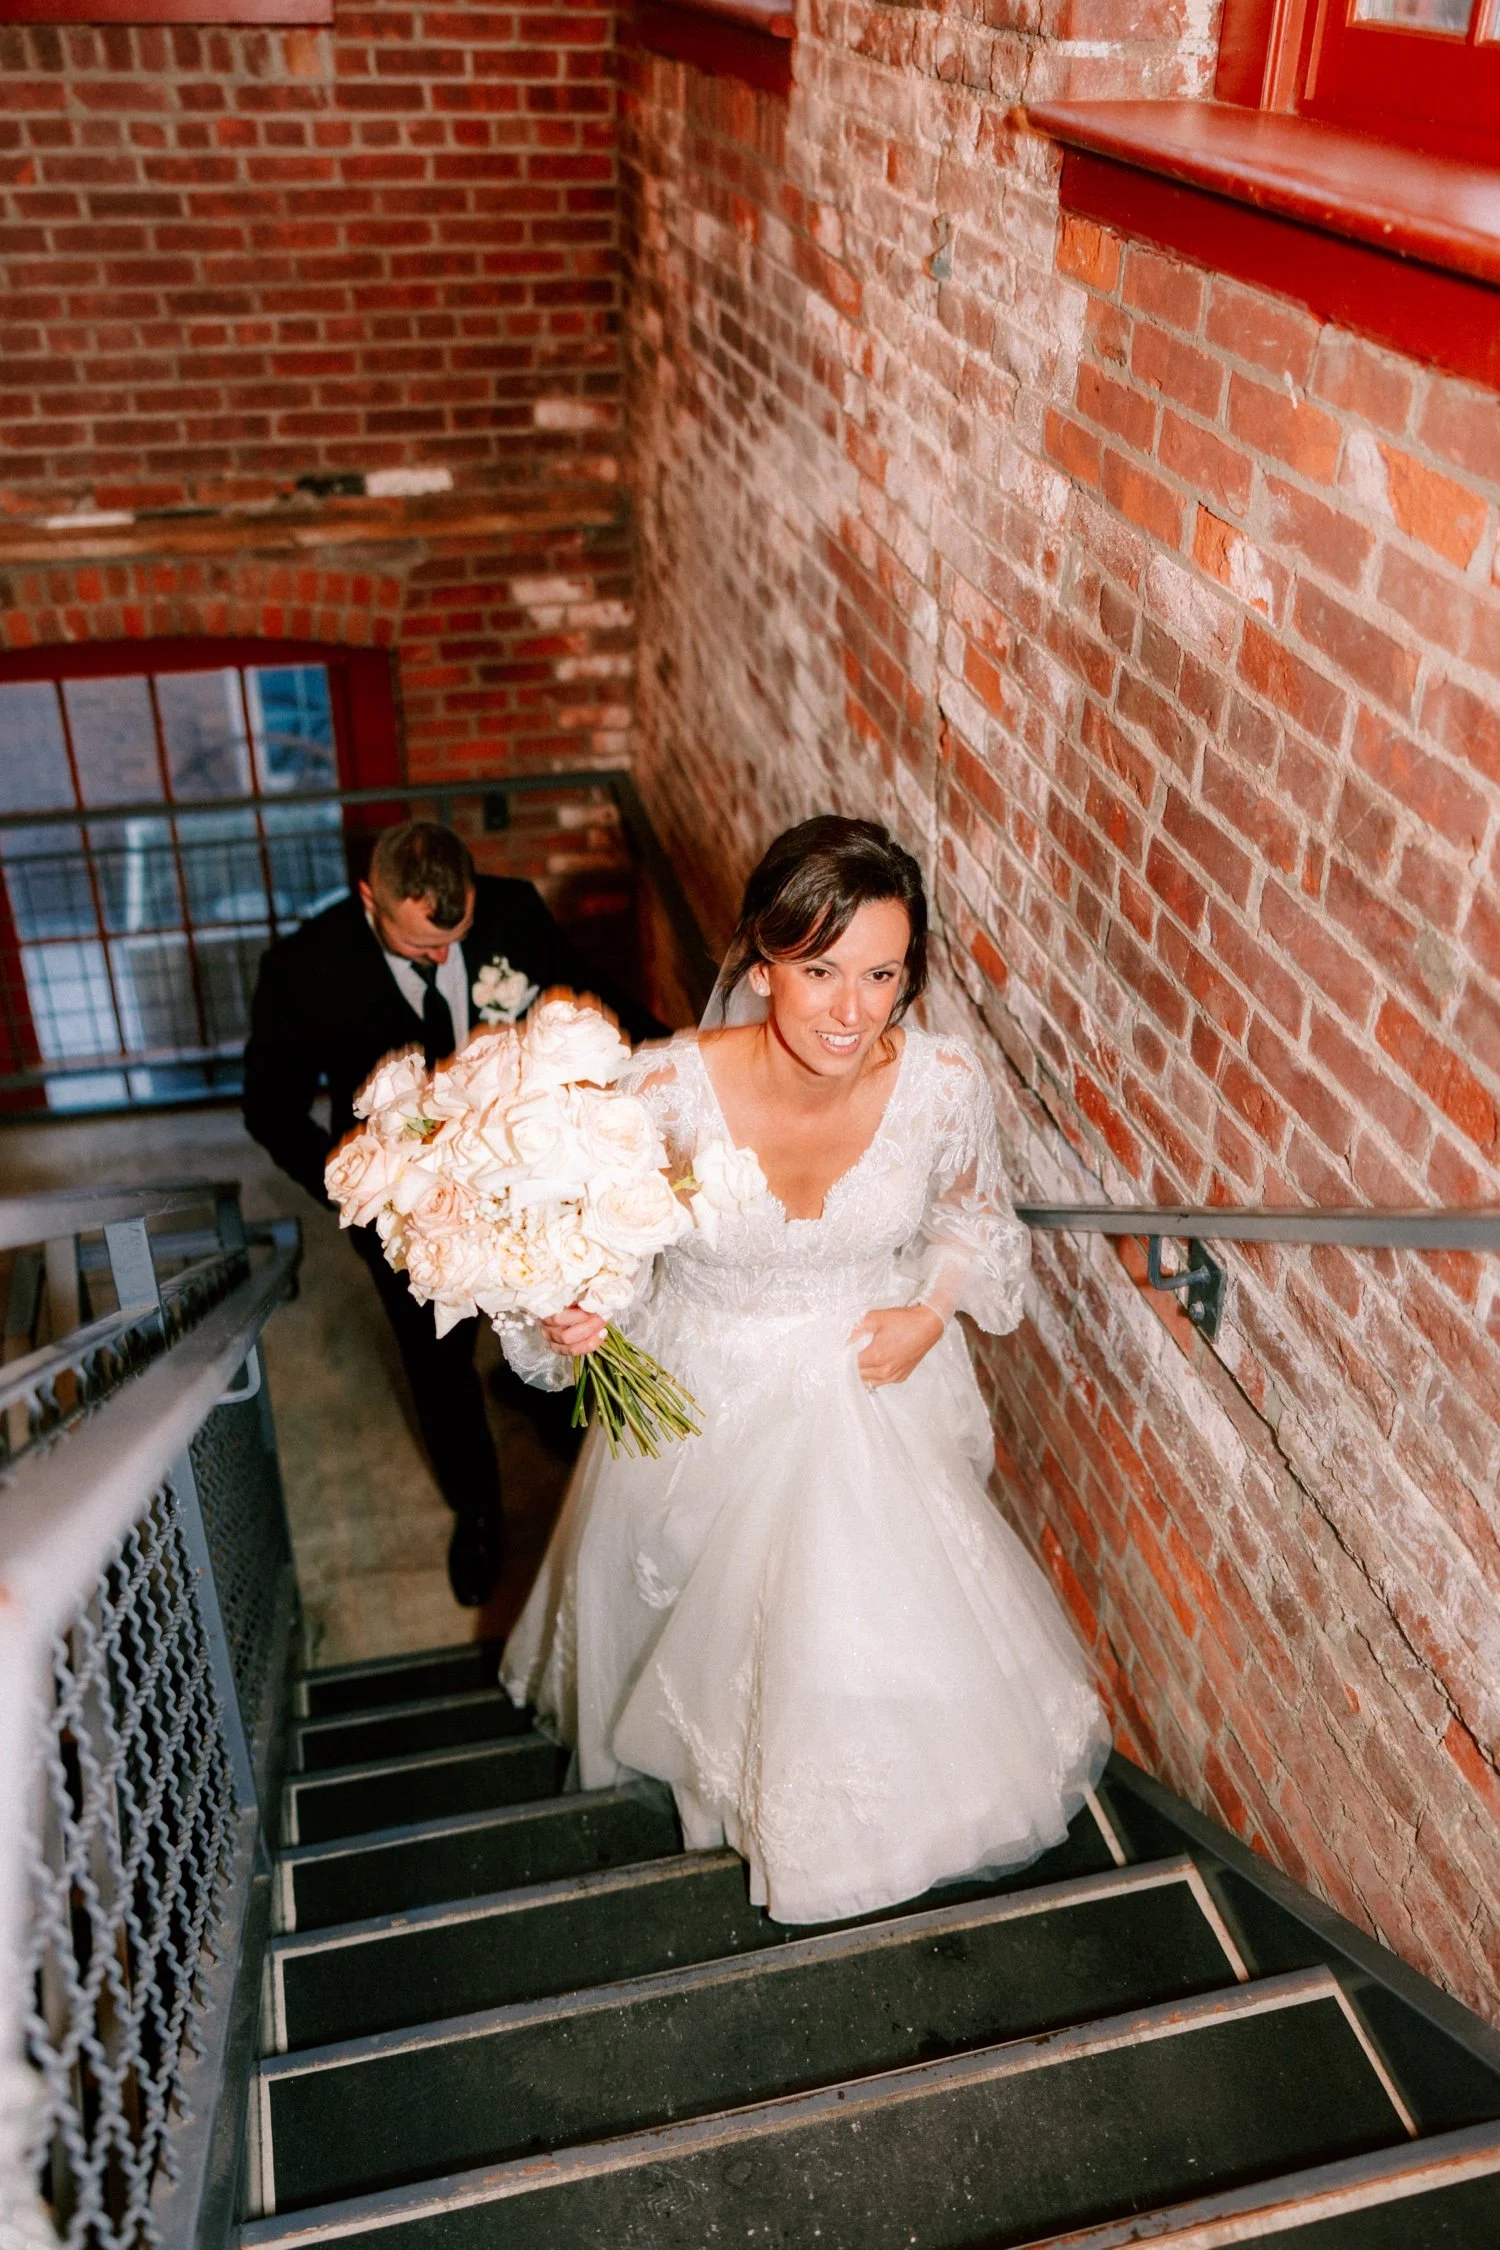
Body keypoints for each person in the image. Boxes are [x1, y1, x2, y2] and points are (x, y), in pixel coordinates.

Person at [500, 815, 1109, 1924]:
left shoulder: (943, 1083)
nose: (851, 1010)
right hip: (702, 1408)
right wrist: (579, 1317)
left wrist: (930, 1309)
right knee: (710, 1651)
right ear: (761, 961)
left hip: (866, 1400)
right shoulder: (660, 1092)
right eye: (821, 969)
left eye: (882, 974)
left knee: (855, 1647)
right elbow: (611, 1264)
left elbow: (973, 1219)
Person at [243, 818, 666, 1607]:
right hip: (409, 1220)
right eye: (421, 946)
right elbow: (269, 1109)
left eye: (457, 939)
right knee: (439, 1369)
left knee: (555, 1319)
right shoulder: (305, 967)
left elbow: (594, 995)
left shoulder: (514, 911)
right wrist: (364, 1195)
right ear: (370, 899)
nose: (443, 959)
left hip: (526, 1182)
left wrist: (672, 1056)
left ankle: (549, 1411)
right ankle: (476, 1511)